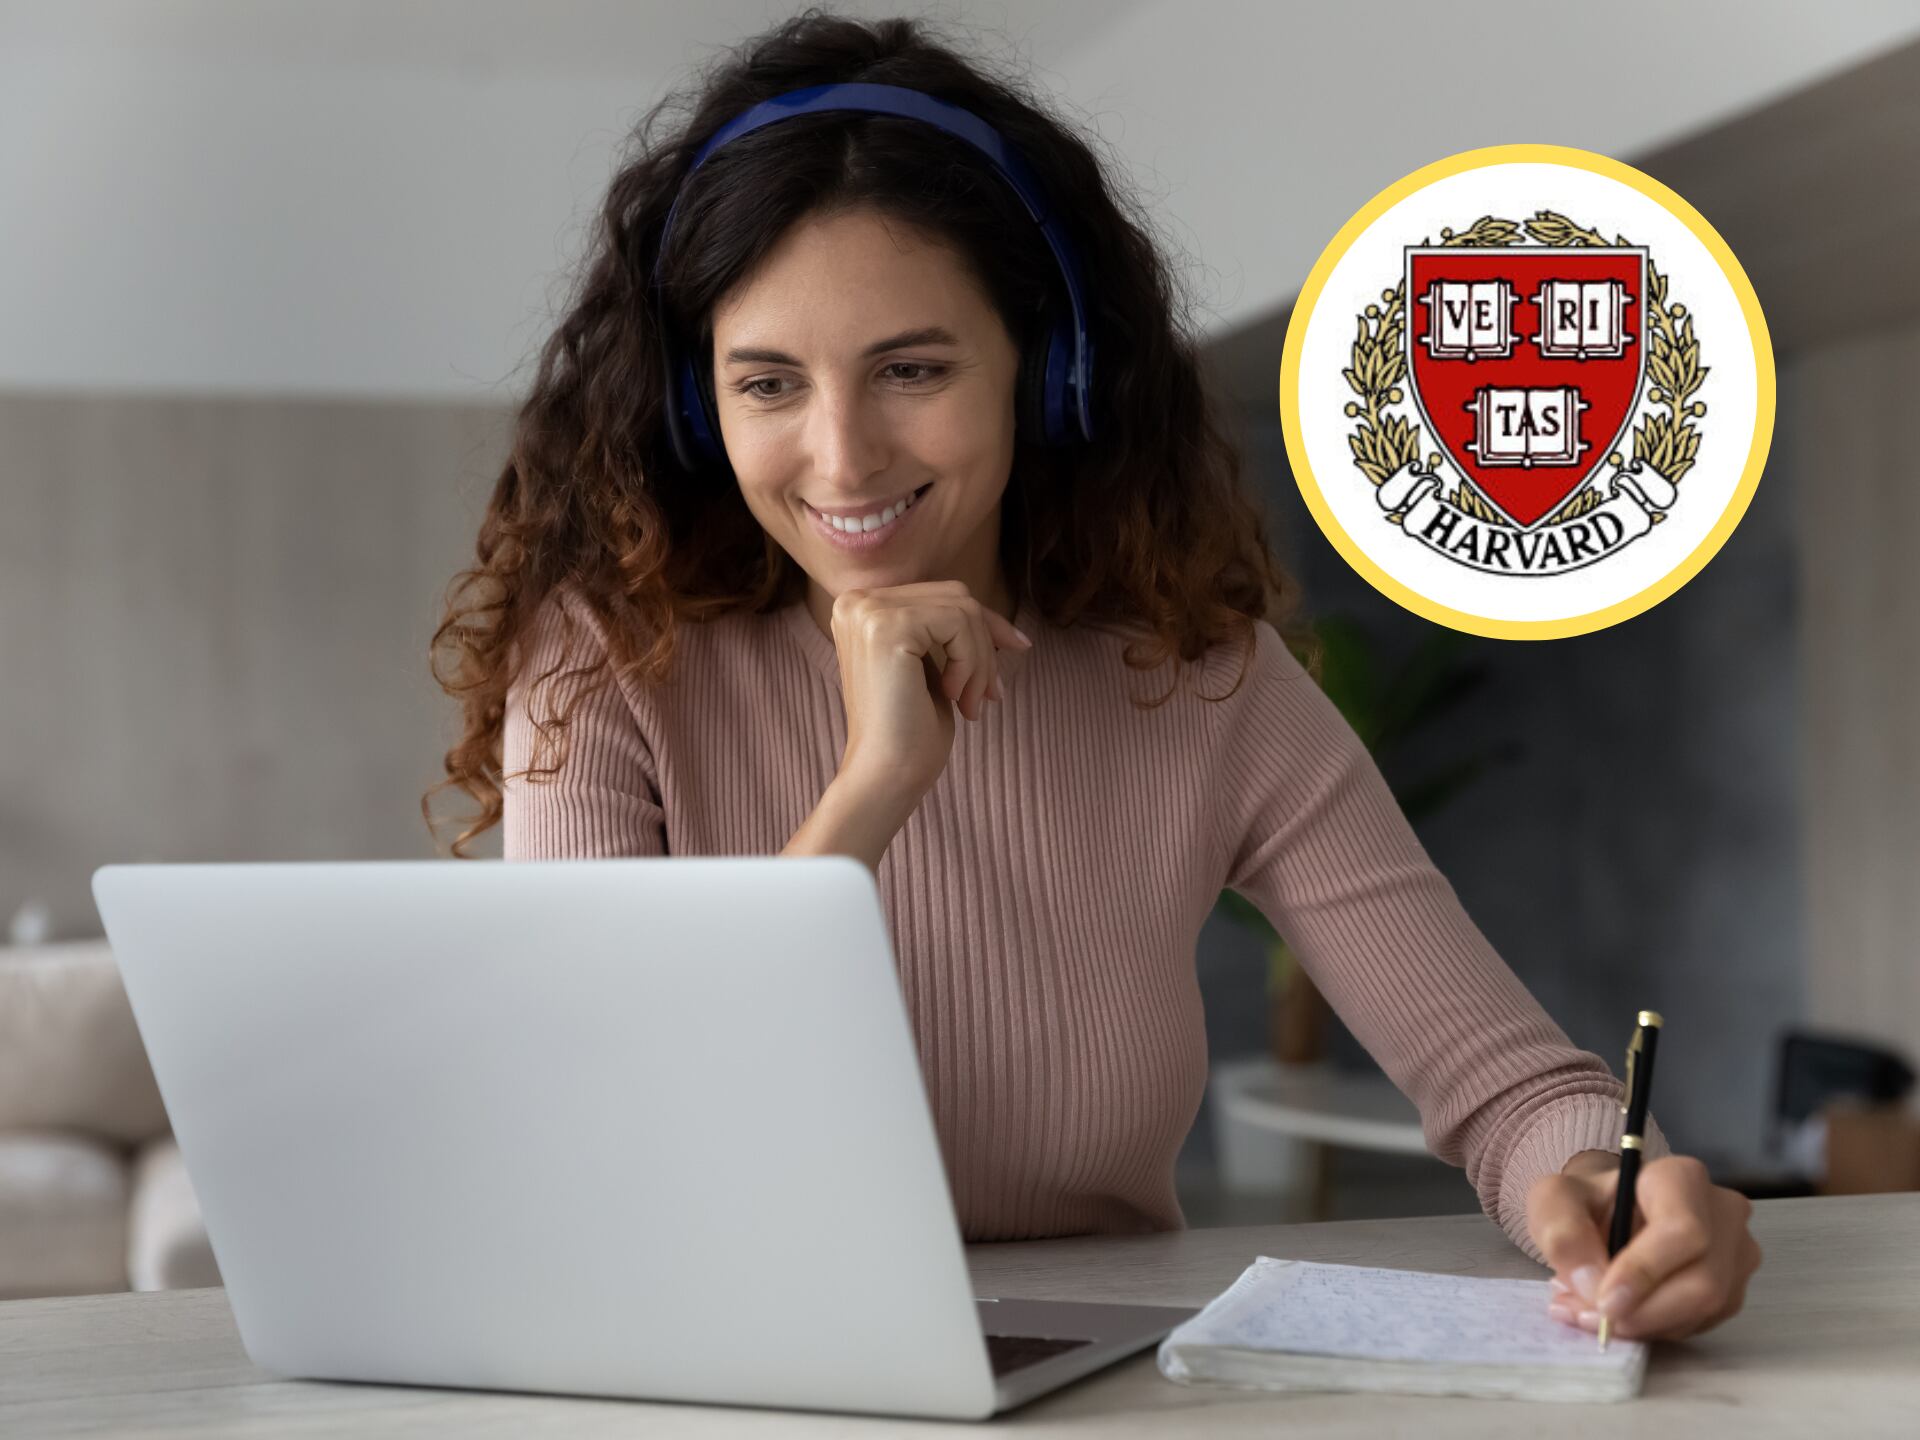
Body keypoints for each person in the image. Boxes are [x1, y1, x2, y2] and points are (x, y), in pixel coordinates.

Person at [422, 10, 1760, 1343]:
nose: (841, 457)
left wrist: (1611, 1194)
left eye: (911, 369)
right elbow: (599, 1134)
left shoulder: (1201, 681)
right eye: (768, 385)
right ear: (696, 406)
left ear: (1047, 370)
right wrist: (875, 785)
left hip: (1099, 1385)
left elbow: (1509, 1087)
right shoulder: (610, 661)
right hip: (718, 1371)